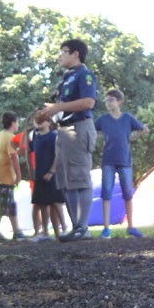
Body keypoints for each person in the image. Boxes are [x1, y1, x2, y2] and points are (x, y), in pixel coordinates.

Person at [35, 39, 97, 242]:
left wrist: (58, 107)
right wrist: (47, 115)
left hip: (78, 128)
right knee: (65, 181)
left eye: (64, 51)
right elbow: (60, 109)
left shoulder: (84, 75)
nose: (60, 56)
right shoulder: (65, 79)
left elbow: (88, 102)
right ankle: (76, 226)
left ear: (76, 54)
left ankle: (82, 227)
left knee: (80, 177)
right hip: (63, 131)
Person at [94, 89, 149, 238]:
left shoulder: (127, 118)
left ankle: (131, 226)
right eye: (106, 101)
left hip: (124, 160)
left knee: (128, 194)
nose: (108, 103)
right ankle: (106, 228)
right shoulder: (103, 120)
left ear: (119, 101)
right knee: (106, 193)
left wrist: (132, 138)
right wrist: (98, 138)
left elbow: (145, 129)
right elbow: (92, 130)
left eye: (111, 100)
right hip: (108, 160)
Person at [0, 111, 29, 242]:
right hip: (5, 174)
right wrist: (18, 174)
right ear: (13, 123)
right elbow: (13, 156)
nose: (17, 125)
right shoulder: (10, 137)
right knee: (5, 203)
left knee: (7, 203)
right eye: (17, 122)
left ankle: (14, 231)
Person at [25, 117, 66, 241]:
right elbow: (27, 150)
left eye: (42, 119)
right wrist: (31, 170)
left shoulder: (53, 136)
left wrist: (51, 171)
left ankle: (63, 229)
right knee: (42, 203)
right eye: (37, 119)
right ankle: (46, 232)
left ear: (49, 122)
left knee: (56, 202)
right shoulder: (35, 137)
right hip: (39, 173)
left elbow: (58, 154)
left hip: (52, 174)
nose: (38, 121)